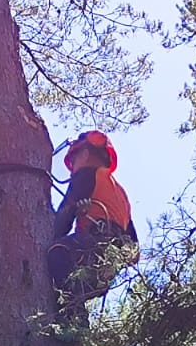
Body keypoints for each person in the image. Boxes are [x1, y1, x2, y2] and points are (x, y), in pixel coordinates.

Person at [49, 130, 138, 320]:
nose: (72, 167)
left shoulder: (86, 175)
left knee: (58, 251)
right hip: (107, 268)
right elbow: (134, 251)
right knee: (70, 286)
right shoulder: (120, 193)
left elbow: (61, 223)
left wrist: (71, 214)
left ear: (85, 154)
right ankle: (74, 320)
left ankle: (72, 320)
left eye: (73, 159)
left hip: (92, 250)